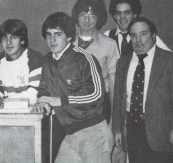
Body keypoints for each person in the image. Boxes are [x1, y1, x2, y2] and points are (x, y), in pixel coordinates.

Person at [34, 12, 113, 163]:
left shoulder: (84, 58)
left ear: (69, 36)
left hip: (94, 132)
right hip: (69, 134)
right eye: (49, 34)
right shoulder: (46, 60)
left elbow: (97, 95)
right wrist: (43, 101)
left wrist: (60, 100)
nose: (52, 39)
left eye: (58, 34)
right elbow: (44, 89)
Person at [112, 17, 173, 163]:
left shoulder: (170, 60)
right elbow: (118, 98)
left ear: (154, 36)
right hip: (132, 131)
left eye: (143, 34)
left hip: (163, 131)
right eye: (133, 35)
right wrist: (117, 129)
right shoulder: (123, 62)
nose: (138, 40)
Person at [72, 0, 119, 124]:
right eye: (83, 15)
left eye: (92, 15)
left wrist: (114, 120)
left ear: (98, 18)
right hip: (72, 106)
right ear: (76, 16)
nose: (87, 20)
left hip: (100, 106)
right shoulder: (67, 43)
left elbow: (114, 84)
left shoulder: (109, 44)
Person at [0, 19, 42, 108]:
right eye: (4, 38)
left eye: (13, 37)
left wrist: (3, 102)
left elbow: (33, 96)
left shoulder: (34, 57)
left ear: (22, 40)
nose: (8, 42)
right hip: (6, 112)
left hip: (30, 113)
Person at [105, 0, 171, 56]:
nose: (122, 17)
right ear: (114, 16)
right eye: (118, 13)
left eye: (127, 13)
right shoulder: (107, 35)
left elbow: (170, 59)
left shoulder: (148, 36)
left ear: (135, 14)